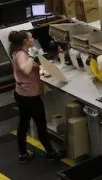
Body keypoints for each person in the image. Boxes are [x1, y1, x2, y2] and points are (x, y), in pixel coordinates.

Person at [8, 30, 64, 163]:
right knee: (41, 125)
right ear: (25, 41)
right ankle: (50, 153)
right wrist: (33, 57)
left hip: (21, 94)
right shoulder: (21, 55)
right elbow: (25, 70)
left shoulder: (18, 52)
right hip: (30, 97)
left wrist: (40, 63)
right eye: (30, 37)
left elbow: (30, 67)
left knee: (23, 124)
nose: (33, 38)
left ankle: (23, 154)